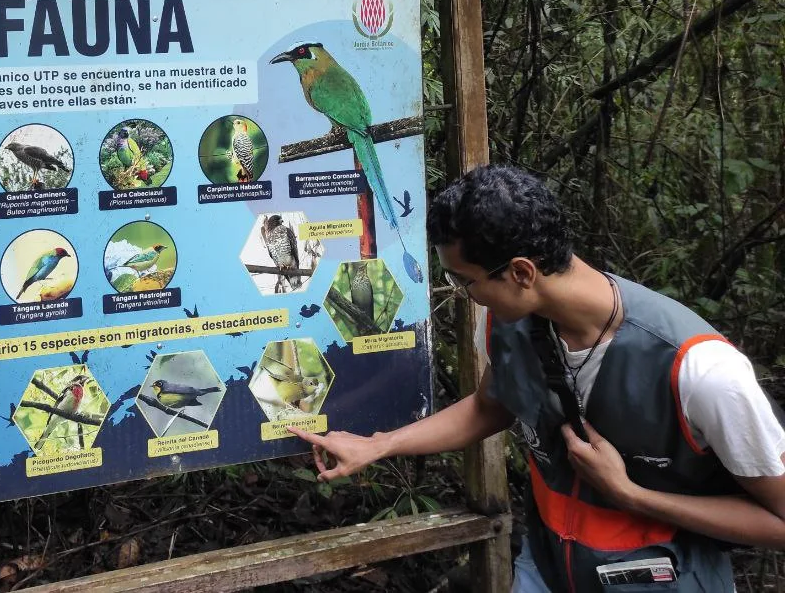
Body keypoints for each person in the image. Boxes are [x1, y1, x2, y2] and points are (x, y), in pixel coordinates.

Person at [291, 164, 785, 592]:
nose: (466, 294)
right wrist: (378, 445)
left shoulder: (702, 371)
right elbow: (491, 406)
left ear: (522, 272)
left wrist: (632, 495)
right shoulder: (509, 321)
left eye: (465, 281)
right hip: (548, 568)